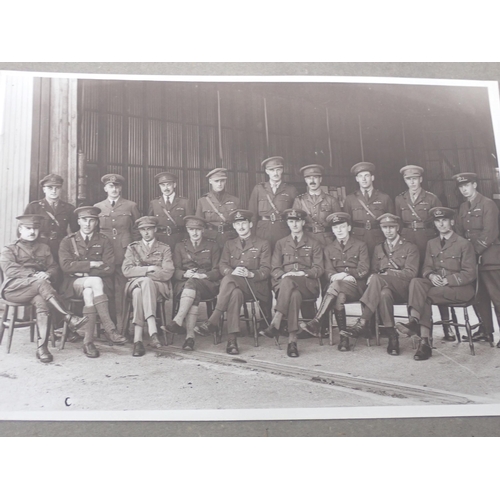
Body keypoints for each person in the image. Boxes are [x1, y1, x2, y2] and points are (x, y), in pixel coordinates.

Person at [0, 215, 87, 363]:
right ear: (20, 229)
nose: (32, 232)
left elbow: (54, 267)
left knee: (42, 301)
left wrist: (47, 274)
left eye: (35, 228)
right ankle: (66, 316)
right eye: (28, 228)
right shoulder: (9, 248)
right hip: (14, 290)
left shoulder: (44, 247)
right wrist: (34, 275)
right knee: (40, 284)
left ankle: (42, 348)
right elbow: (10, 270)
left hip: (37, 290)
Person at [396, 207, 477, 360]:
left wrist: (448, 280)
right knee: (416, 282)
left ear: (451, 222)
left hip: (460, 289)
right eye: (438, 221)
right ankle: (415, 323)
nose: (441, 224)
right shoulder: (431, 243)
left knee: (424, 296)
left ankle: (424, 340)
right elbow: (426, 266)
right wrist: (431, 275)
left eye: (444, 220)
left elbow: (470, 273)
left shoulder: (463, 244)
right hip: (438, 287)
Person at [194, 210, 271, 355]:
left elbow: (266, 270)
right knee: (234, 293)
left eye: (243, 223)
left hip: (254, 287)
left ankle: (213, 320)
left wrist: (250, 273)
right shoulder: (229, 244)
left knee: (228, 281)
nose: (241, 227)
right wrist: (232, 272)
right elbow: (223, 265)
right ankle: (232, 341)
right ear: (234, 226)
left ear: (250, 224)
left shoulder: (263, 244)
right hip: (235, 286)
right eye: (237, 224)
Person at [341, 213, 419, 356]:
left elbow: (411, 273)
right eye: (384, 227)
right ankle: (392, 337)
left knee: (378, 279)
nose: (388, 231)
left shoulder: (410, 247)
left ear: (398, 228)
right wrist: (373, 276)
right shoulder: (379, 248)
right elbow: (374, 270)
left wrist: (387, 274)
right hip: (385, 290)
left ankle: (362, 322)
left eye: (391, 227)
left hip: (404, 289)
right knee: (383, 293)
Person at [59, 206, 127, 358]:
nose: (88, 224)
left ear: (97, 222)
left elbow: (109, 267)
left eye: (91, 220)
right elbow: (65, 266)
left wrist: (82, 270)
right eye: (84, 220)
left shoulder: (104, 240)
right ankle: (110, 328)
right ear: (78, 221)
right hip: (73, 284)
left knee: (90, 290)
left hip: (96, 287)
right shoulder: (68, 241)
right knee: (95, 281)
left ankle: (88, 342)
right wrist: (92, 264)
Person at [395, 165, 454, 340]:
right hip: (408, 244)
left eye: (415, 178)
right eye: (408, 179)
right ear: (405, 180)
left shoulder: (432, 198)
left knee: (436, 280)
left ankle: (446, 326)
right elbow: (398, 223)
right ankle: (413, 323)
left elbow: (440, 224)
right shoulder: (399, 199)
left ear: (421, 179)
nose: (412, 182)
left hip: (427, 243)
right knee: (411, 282)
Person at [301, 212, 370, 351]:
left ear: (349, 228)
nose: (339, 230)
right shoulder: (328, 248)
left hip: (356, 286)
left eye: (342, 227)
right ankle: (344, 338)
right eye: (336, 227)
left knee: (336, 285)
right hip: (337, 287)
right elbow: (328, 272)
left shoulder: (361, 245)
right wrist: (337, 277)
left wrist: (347, 274)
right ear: (332, 230)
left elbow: (364, 269)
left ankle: (317, 320)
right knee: (339, 296)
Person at [261, 208, 324, 358]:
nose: (294, 224)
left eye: (297, 221)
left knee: (290, 283)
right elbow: (275, 268)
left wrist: (303, 273)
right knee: (294, 295)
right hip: (285, 286)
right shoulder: (281, 244)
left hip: (308, 285)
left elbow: (319, 269)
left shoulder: (314, 243)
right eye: (291, 221)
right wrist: (285, 276)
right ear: (287, 223)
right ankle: (292, 341)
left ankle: (276, 320)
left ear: (303, 222)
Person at [453, 172, 500, 346]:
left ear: (475, 185)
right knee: (479, 297)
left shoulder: (488, 204)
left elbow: (490, 232)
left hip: (490, 260)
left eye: (467, 185)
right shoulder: (463, 208)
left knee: (497, 297)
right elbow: (458, 232)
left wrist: (472, 252)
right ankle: (486, 331)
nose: (464, 189)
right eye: (461, 187)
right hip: (472, 261)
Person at [165, 216, 221, 351]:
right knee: (192, 286)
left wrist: (204, 275)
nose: (195, 233)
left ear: (203, 230)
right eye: (191, 230)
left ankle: (178, 320)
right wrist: (184, 274)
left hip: (207, 284)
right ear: (187, 230)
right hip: (184, 284)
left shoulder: (213, 245)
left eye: (198, 229)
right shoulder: (180, 246)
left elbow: (218, 270)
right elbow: (175, 269)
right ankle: (189, 338)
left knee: (194, 283)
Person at [122, 216, 175, 357]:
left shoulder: (164, 248)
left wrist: (143, 275)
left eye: (149, 229)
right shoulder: (132, 247)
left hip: (158, 286)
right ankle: (153, 331)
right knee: (142, 285)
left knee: (140, 290)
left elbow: (167, 273)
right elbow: (126, 271)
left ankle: (137, 340)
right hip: (135, 284)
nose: (146, 233)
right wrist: (149, 269)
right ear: (139, 231)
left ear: (155, 230)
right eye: (143, 230)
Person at [94, 173, 141, 332]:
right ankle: (109, 327)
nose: (114, 189)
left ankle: (122, 328)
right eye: (111, 186)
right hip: (105, 254)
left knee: (122, 291)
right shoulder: (98, 207)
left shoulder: (131, 206)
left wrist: (133, 252)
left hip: (124, 252)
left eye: (117, 186)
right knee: (106, 289)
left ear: (121, 188)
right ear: (105, 188)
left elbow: (136, 231)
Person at [24, 174, 78, 264]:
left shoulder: (69, 208)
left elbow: (76, 231)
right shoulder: (34, 207)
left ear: (61, 189)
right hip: (39, 247)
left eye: (57, 187)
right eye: (50, 187)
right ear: (44, 189)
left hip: (60, 248)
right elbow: (23, 229)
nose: (54, 191)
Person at [344, 162, 395, 256]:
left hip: (379, 237)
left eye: (367, 175)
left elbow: (392, 222)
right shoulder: (350, 199)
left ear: (372, 178)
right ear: (357, 179)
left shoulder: (384, 198)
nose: (364, 179)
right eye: (360, 176)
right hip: (357, 238)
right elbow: (347, 222)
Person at [248, 156, 298, 251]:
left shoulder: (290, 189)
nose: (275, 173)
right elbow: (252, 214)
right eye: (272, 170)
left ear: (282, 170)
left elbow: (295, 215)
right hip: (262, 230)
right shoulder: (259, 189)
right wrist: (252, 235)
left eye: (278, 169)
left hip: (283, 229)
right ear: (267, 171)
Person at [292, 164, 341, 247]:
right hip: (306, 239)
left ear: (320, 179)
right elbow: (294, 223)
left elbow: (339, 223)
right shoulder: (299, 200)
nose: (312, 181)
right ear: (305, 180)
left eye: (315, 177)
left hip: (327, 240)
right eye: (308, 178)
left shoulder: (331, 200)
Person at [148, 172, 193, 250]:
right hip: (160, 241)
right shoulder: (154, 203)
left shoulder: (185, 202)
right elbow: (150, 224)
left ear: (174, 185)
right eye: (163, 185)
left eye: (168, 184)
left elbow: (191, 224)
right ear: (159, 186)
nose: (166, 188)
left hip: (180, 240)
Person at [196, 168, 240, 249]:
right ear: (210, 181)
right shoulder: (202, 201)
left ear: (225, 181)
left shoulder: (235, 200)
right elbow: (198, 224)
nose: (219, 184)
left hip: (230, 237)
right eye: (216, 181)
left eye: (222, 181)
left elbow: (239, 221)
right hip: (210, 238)